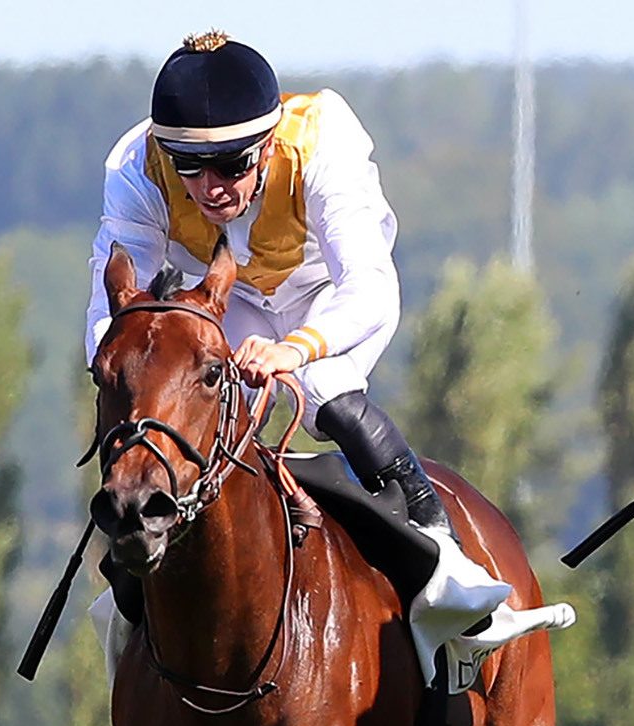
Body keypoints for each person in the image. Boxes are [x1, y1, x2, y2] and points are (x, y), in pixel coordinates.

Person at [86, 32, 561, 689]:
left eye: (230, 163)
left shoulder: (322, 139)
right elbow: (114, 313)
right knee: (187, 423)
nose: (210, 186)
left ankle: (446, 559)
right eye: (189, 166)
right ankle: (133, 599)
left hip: (330, 294)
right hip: (226, 307)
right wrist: (127, 387)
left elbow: (369, 288)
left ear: (270, 143)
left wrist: (292, 349)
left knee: (325, 392)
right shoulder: (137, 168)